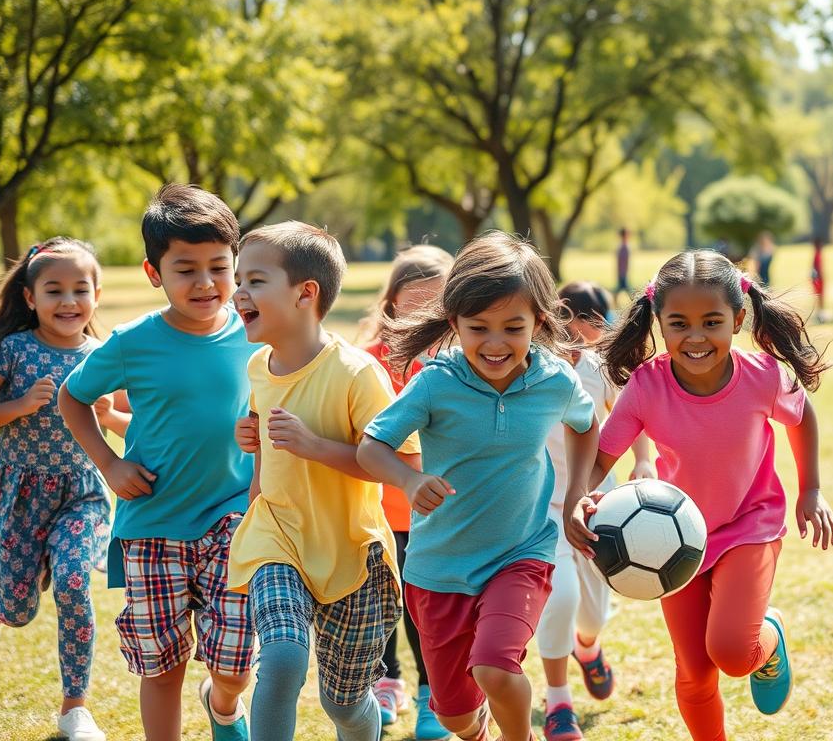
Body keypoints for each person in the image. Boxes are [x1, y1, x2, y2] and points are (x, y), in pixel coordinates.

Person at [567, 250, 833, 741]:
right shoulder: (646, 387)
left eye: (711, 322)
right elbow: (602, 459)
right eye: (679, 323)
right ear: (659, 322)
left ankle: (769, 637)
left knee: (734, 654)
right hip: (673, 540)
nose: (695, 337)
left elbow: (802, 417)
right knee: (694, 673)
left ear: (738, 319)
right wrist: (583, 498)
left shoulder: (761, 375)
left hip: (750, 524)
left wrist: (812, 490)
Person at [357, 232, 599, 741]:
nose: (495, 343)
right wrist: (409, 477)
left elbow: (585, 425)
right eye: (478, 328)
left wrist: (576, 495)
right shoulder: (433, 382)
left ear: (539, 321)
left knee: (494, 665)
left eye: (514, 327)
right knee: (454, 717)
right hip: (437, 569)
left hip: (522, 553)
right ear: (454, 323)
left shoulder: (554, 380)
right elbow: (371, 446)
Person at [60, 184, 258, 741]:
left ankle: (223, 706)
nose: (205, 283)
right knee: (163, 665)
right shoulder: (131, 343)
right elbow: (72, 398)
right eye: (185, 269)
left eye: (219, 267)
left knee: (236, 662)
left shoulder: (256, 331)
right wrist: (108, 464)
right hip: (152, 520)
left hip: (236, 514)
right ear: (154, 273)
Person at [225, 224, 421, 741]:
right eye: (238, 280)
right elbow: (268, 453)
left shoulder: (358, 375)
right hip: (277, 536)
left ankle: (363, 721)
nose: (237, 292)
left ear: (305, 293)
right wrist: (254, 444)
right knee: (285, 655)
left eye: (255, 281)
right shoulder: (256, 366)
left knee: (344, 703)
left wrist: (316, 447)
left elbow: (401, 465)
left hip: (353, 556)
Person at [0, 238, 128, 741]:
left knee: (72, 584)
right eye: (54, 290)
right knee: (20, 609)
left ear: (97, 294)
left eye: (79, 289)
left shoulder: (104, 357)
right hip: (19, 496)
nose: (68, 302)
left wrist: (111, 416)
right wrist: (14, 408)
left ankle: (74, 710)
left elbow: (139, 424)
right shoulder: (12, 351)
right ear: (29, 298)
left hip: (82, 494)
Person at [536, 281, 654, 741]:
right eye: (572, 318)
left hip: (597, 504)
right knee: (559, 597)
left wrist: (643, 460)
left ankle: (589, 647)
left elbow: (632, 412)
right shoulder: (531, 371)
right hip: (542, 510)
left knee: (591, 614)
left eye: (594, 320)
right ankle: (557, 700)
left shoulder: (601, 369)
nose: (582, 330)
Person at [358, 244, 454, 739]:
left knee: (423, 610)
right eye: (410, 305)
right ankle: (385, 681)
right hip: (375, 509)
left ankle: (430, 695)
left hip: (431, 513)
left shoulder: (459, 363)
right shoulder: (367, 361)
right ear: (391, 303)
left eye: (433, 307)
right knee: (378, 605)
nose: (420, 317)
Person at [614, 228, 633, 306]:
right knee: (624, 288)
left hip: (623, 272)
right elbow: (621, 261)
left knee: (622, 288)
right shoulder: (623, 247)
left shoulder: (624, 247)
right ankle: (633, 301)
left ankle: (633, 301)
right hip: (622, 272)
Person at [811, 238, 826, 322]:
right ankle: (820, 314)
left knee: (819, 297)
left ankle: (820, 313)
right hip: (818, 279)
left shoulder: (817, 254)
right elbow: (818, 268)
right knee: (820, 297)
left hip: (817, 279)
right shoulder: (817, 255)